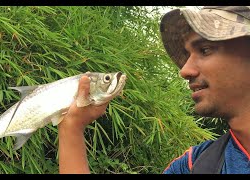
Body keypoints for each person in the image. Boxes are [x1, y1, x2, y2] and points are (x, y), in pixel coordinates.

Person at [58, 6, 250, 174]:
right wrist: (71, 127)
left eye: (205, 50)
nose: (184, 70)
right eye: (187, 55)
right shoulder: (195, 165)